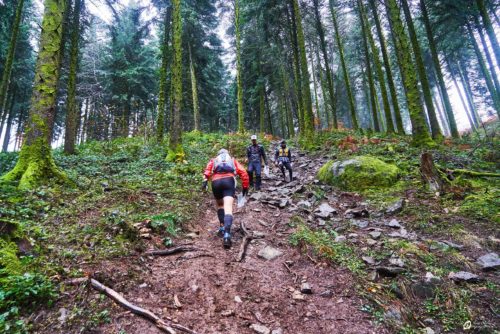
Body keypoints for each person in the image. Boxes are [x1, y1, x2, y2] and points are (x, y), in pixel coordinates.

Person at [203, 149, 249, 248]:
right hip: (229, 181)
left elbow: (207, 171)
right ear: (227, 154)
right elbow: (243, 173)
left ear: (218, 154)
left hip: (216, 182)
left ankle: (222, 227)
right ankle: (227, 235)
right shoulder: (232, 160)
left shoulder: (214, 160)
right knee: (228, 208)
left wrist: (205, 181)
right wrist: (245, 187)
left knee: (220, 205)